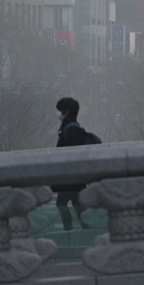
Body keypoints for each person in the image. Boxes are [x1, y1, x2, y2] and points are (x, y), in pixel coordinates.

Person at [53, 97, 90, 231]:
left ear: (66, 111)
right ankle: (87, 230)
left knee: (62, 203)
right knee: (78, 205)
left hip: (71, 178)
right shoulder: (71, 127)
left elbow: (75, 153)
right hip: (73, 177)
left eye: (59, 110)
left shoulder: (70, 129)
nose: (57, 113)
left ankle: (69, 232)